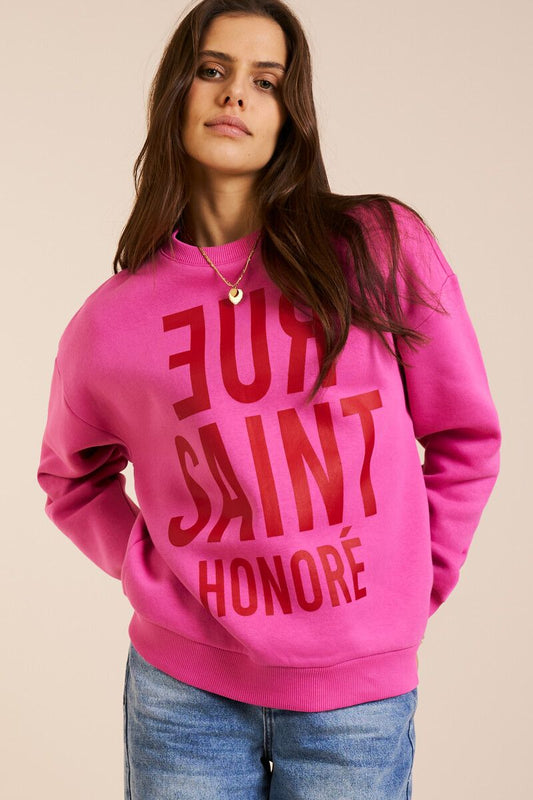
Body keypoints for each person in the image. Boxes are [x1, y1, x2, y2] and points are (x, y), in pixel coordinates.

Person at [36, 1, 501, 798]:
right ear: (176, 91)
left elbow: (465, 435)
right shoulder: (111, 323)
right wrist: (150, 572)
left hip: (356, 701)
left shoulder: (375, 247)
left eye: (266, 80)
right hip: (183, 697)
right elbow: (69, 478)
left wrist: (411, 587)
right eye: (212, 70)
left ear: (292, 114)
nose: (235, 94)